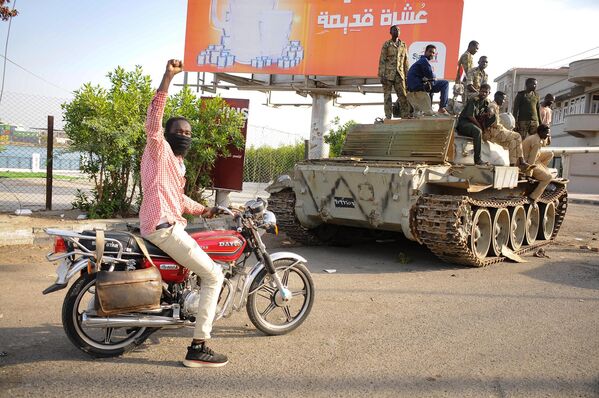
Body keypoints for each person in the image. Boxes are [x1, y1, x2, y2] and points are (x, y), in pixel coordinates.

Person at [139, 59, 227, 368]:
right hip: (163, 226)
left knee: (196, 266)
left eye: (189, 132)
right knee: (213, 275)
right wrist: (167, 77)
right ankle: (199, 345)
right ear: (167, 134)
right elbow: (153, 121)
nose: (186, 135)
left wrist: (208, 209)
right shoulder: (158, 148)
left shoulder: (176, 163)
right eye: (180, 131)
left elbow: (179, 198)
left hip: (168, 223)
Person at [485, 91, 532, 171]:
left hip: (496, 132)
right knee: (518, 136)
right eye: (503, 99)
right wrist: (491, 112)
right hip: (494, 133)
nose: (503, 101)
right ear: (497, 97)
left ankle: (512, 165)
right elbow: (490, 112)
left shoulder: (496, 106)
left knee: (512, 143)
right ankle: (521, 161)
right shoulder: (493, 105)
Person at [378, 25, 410, 119]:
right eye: (394, 30)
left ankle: (405, 115)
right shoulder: (387, 44)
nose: (397, 31)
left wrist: (407, 75)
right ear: (390, 32)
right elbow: (382, 59)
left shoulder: (403, 45)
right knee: (387, 96)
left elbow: (406, 61)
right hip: (387, 74)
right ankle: (388, 116)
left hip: (400, 74)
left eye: (398, 30)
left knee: (403, 96)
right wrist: (381, 75)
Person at [407, 44, 449, 114]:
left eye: (433, 53)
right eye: (430, 52)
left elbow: (429, 77)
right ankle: (442, 107)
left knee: (430, 85)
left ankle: (429, 109)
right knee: (445, 83)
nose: (432, 54)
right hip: (417, 86)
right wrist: (434, 78)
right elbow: (431, 75)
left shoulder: (421, 60)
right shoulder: (424, 61)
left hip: (415, 86)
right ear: (425, 52)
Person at [456, 83, 492, 165]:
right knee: (478, 131)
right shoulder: (473, 100)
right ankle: (478, 160)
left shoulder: (486, 103)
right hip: (464, 124)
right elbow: (470, 116)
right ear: (479, 91)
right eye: (482, 91)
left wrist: (489, 112)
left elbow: (486, 113)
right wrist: (479, 126)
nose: (484, 93)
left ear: (489, 93)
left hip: (472, 124)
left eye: (486, 92)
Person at [522, 124, 554, 200]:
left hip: (531, 159)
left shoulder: (536, 137)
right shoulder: (536, 142)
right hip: (526, 163)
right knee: (548, 177)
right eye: (546, 133)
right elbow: (531, 159)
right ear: (541, 132)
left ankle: (541, 171)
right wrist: (528, 175)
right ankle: (533, 197)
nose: (547, 135)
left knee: (550, 154)